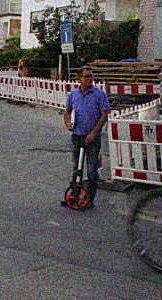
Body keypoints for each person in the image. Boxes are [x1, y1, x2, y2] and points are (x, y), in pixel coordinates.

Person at [62, 66, 110, 209]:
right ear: (79, 79)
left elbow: (104, 114)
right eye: (86, 76)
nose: (90, 79)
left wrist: (94, 132)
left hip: (92, 138)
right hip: (77, 135)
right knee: (76, 167)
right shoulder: (73, 95)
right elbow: (67, 111)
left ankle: (89, 199)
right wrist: (68, 123)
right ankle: (74, 196)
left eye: (91, 76)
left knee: (91, 170)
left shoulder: (99, 94)